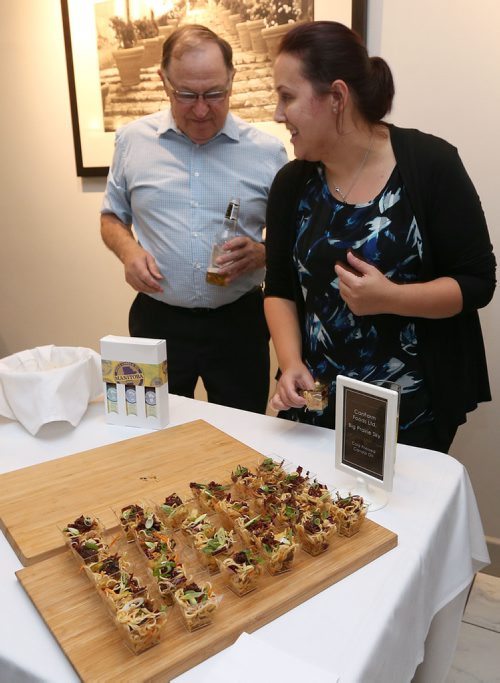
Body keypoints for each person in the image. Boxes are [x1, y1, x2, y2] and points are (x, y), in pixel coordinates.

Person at [264, 21, 496, 453]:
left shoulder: (431, 165)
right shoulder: (291, 184)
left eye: (287, 96)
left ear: (336, 97)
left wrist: (390, 298)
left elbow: (477, 283)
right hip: (317, 409)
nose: (278, 114)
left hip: (412, 413)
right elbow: (278, 287)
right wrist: (290, 362)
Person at [101, 24, 287, 414]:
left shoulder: (268, 153)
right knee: (149, 431)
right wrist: (128, 251)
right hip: (157, 322)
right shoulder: (132, 141)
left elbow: (295, 238)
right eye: (186, 95)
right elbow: (111, 218)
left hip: (240, 322)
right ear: (164, 82)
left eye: (215, 94)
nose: (201, 109)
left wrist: (263, 252)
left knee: (242, 436)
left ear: (232, 80)